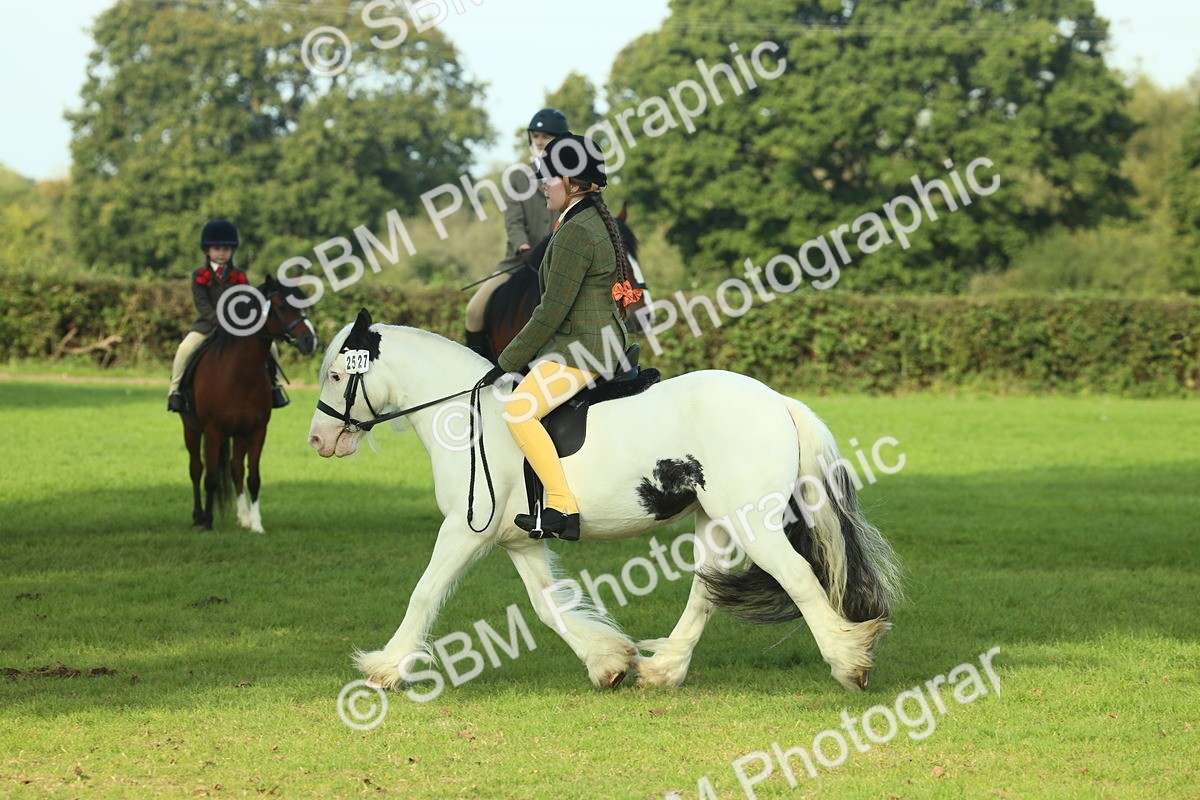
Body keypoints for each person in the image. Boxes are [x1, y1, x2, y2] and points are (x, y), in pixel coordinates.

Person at [483, 134, 642, 541]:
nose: (542, 185)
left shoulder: (574, 232)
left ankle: (561, 505)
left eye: (548, 178)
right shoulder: (588, 220)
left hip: (585, 349)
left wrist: (506, 361)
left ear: (571, 181)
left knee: (519, 410)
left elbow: (551, 311)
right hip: (596, 341)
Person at [464, 108, 570, 358]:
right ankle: (477, 368)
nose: (539, 141)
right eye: (535, 135)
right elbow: (513, 221)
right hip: (519, 262)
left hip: (561, 264)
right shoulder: (517, 177)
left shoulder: (571, 176)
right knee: (473, 310)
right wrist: (523, 246)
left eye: (546, 136)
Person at [167, 218, 288, 412]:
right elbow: (202, 304)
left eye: (226, 249)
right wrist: (219, 320)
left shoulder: (239, 275)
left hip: (238, 327)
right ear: (207, 251)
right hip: (208, 325)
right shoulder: (199, 275)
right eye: (217, 249)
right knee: (185, 348)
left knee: (271, 347)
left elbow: (247, 301)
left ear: (232, 251)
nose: (221, 253)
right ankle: (175, 392)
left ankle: (275, 387)